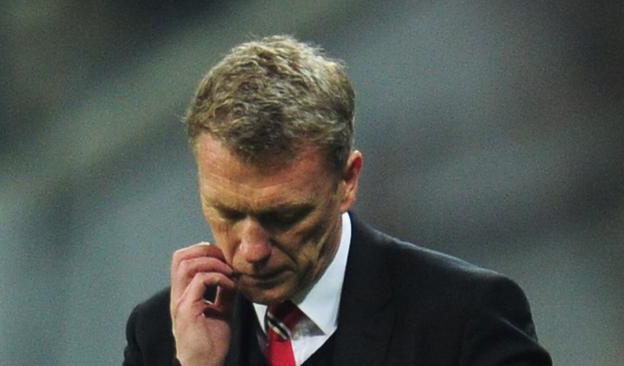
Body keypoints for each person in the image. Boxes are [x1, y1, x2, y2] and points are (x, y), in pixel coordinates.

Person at [122, 35, 552, 366]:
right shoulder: (162, 336)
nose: (251, 251)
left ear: (347, 180)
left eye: (284, 216)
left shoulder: (463, 319)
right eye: (228, 212)